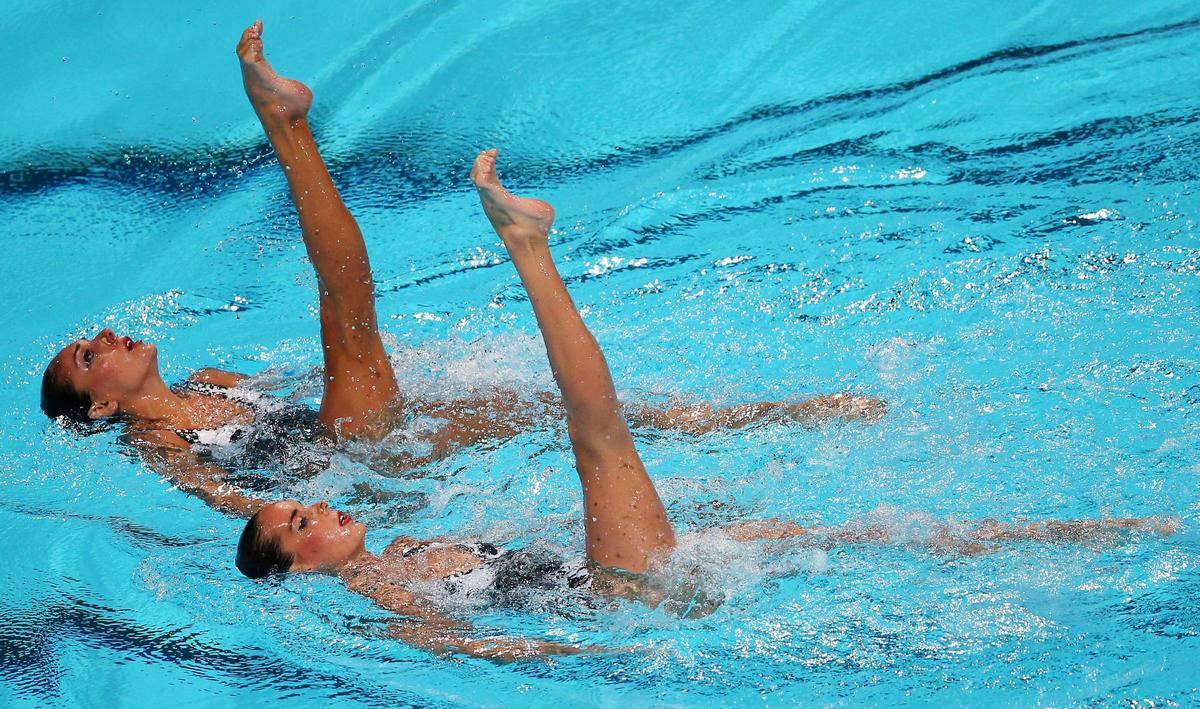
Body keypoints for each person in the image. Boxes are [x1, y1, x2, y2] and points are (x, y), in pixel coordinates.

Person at [235, 147, 1175, 661]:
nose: (315, 509)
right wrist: (592, 656)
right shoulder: (377, 594)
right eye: (297, 526)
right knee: (597, 437)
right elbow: (480, 653)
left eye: (297, 505)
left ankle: (1096, 534)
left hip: (617, 577)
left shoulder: (400, 553)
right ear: (297, 571)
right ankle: (527, 249)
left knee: (856, 536)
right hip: (622, 597)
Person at [38, 21, 885, 517]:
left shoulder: (215, 379)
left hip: (376, 435)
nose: (106, 335)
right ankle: (285, 125)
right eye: (88, 356)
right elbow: (244, 509)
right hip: (348, 457)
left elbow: (291, 392)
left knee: (562, 415)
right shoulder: (157, 443)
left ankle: (766, 419)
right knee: (346, 308)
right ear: (100, 404)